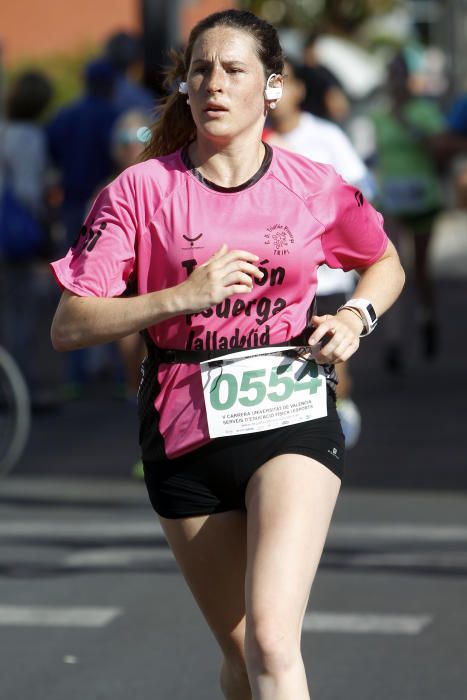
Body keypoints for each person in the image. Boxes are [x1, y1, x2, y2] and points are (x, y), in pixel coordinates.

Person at [50, 9, 404, 699]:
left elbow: (382, 260)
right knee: (243, 658)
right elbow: (70, 325)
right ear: (183, 85)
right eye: (200, 70)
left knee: (274, 640)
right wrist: (180, 296)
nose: (213, 84)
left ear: (271, 88)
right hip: (185, 432)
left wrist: (357, 316)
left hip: (291, 411)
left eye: (233, 70)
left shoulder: (310, 184)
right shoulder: (141, 191)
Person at [265, 58, 377, 448]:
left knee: (329, 358)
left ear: (297, 90)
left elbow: (363, 191)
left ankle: (338, 418)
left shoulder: (325, 136)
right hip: (274, 280)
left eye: (286, 81)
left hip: (326, 276)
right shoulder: (252, 139)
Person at [370, 51, 444, 369]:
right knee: (394, 268)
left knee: (421, 270)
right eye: (391, 74)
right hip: (393, 201)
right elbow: (373, 157)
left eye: (400, 74)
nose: (395, 81)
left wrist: (410, 124)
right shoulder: (378, 116)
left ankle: (427, 319)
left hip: (424, 198)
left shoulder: (424, 110)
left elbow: (439, 147)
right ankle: (394, 342)